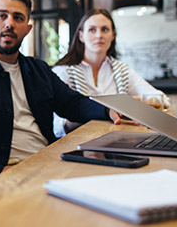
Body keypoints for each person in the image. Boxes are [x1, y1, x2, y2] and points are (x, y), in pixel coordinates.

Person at [0, 0, 122, 184]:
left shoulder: (38, 69)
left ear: (27, 28)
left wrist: (108, 110)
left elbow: (73, 103)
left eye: (18, 18)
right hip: (0, 173)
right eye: (2, 16)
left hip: (49, 162)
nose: (9, 23)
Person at [52, 9, 168, 137]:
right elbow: (56, 126)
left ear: (113, 35)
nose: (99, 35)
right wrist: (83, 114)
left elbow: (161, 98)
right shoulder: (63, 71)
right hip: (76, 143)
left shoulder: (122, 71)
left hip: (118, 139)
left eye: (105, 29)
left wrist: (137, 103)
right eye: (92, 30)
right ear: (81, 36)